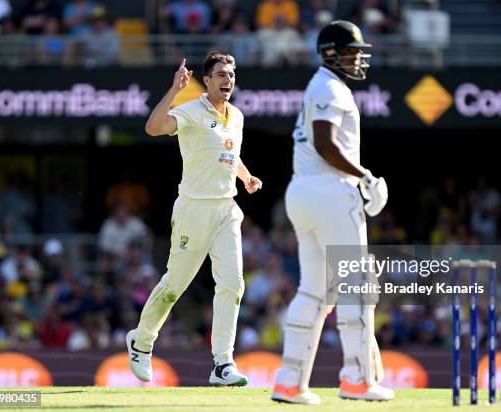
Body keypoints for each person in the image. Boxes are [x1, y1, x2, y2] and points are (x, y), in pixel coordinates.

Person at [271, 20, 393, 404]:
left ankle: (290, 382)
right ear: (331, 53)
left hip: (302, 191)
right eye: (353, 51)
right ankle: (357, 379)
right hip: (329, 192)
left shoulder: (320, 85)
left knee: (315, 291)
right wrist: (364, 175)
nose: (359, 58)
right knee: (357, 285)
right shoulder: (329, 86)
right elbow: (325, 141)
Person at [126, 51, 262, 386]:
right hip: (193, 210)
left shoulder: (237, 116)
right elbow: (153, 127)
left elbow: (229, 152)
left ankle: (222, 363)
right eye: (220, 75)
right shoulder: (192, 111)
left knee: (233, 284)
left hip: (227, 209)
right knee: (175, 286)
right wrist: (174, 90)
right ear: (208, 79)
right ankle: (141, 342)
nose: (227, 80)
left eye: (231, 74)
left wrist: (245, 176)